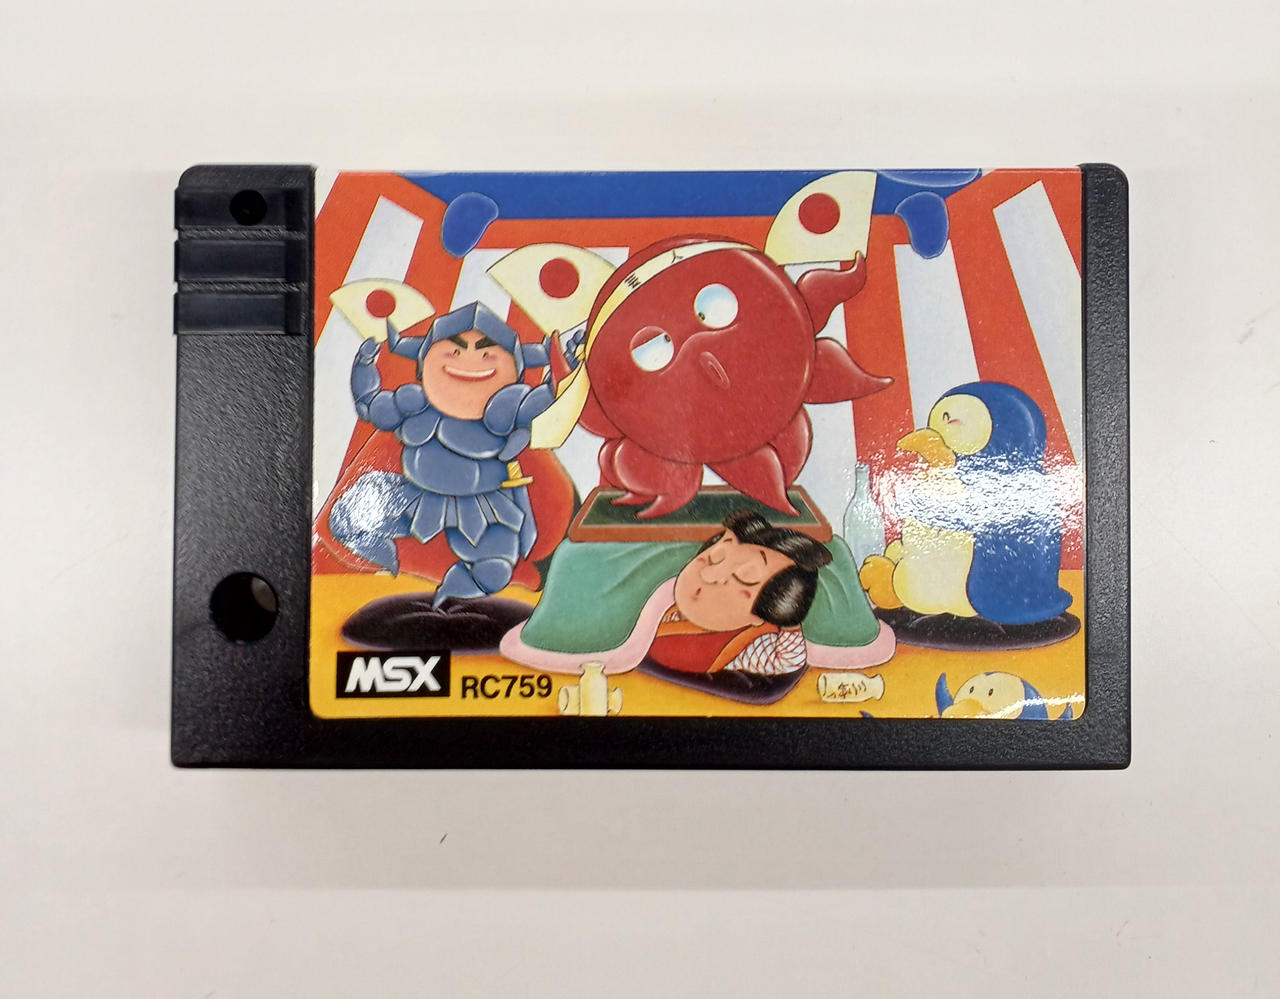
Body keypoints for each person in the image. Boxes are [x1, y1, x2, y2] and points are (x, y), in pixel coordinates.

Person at [328, 302, 557, 607]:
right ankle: (392, 568)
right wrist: (364, 363)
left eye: (487, 354)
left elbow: (546, 401)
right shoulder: (414, 403)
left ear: (514, 372)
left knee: (493, 572)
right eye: (455, 351)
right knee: (346, 519)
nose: (469, 362)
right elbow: (370, 405)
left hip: (483, 507)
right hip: (415, 495)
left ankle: (445, 601)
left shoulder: (507, 413)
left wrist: (561, 369)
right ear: (425, 362)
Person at [636, 509, 832, 702]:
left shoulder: (746, 645)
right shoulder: (662, 604)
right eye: (713, 558)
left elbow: (788, 662)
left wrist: (790, 625)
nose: (709, 575)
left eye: (741, 578)